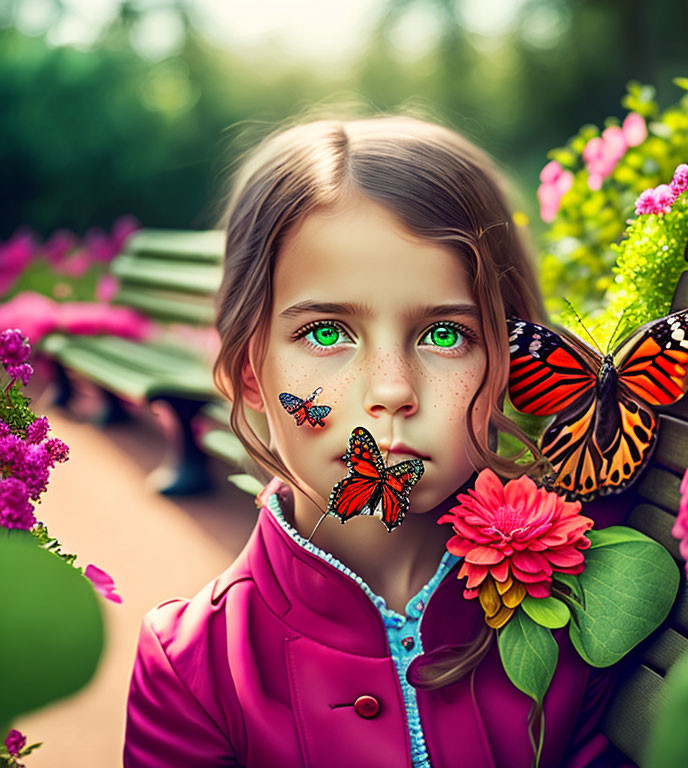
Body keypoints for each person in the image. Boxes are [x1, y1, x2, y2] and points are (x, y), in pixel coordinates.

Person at [123, 111, 638, 768]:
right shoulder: (191, 671)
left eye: (445, 335)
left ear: (512, 361)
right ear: (250, 371)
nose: (392, 391)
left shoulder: (584, 587)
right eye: (326, 332)